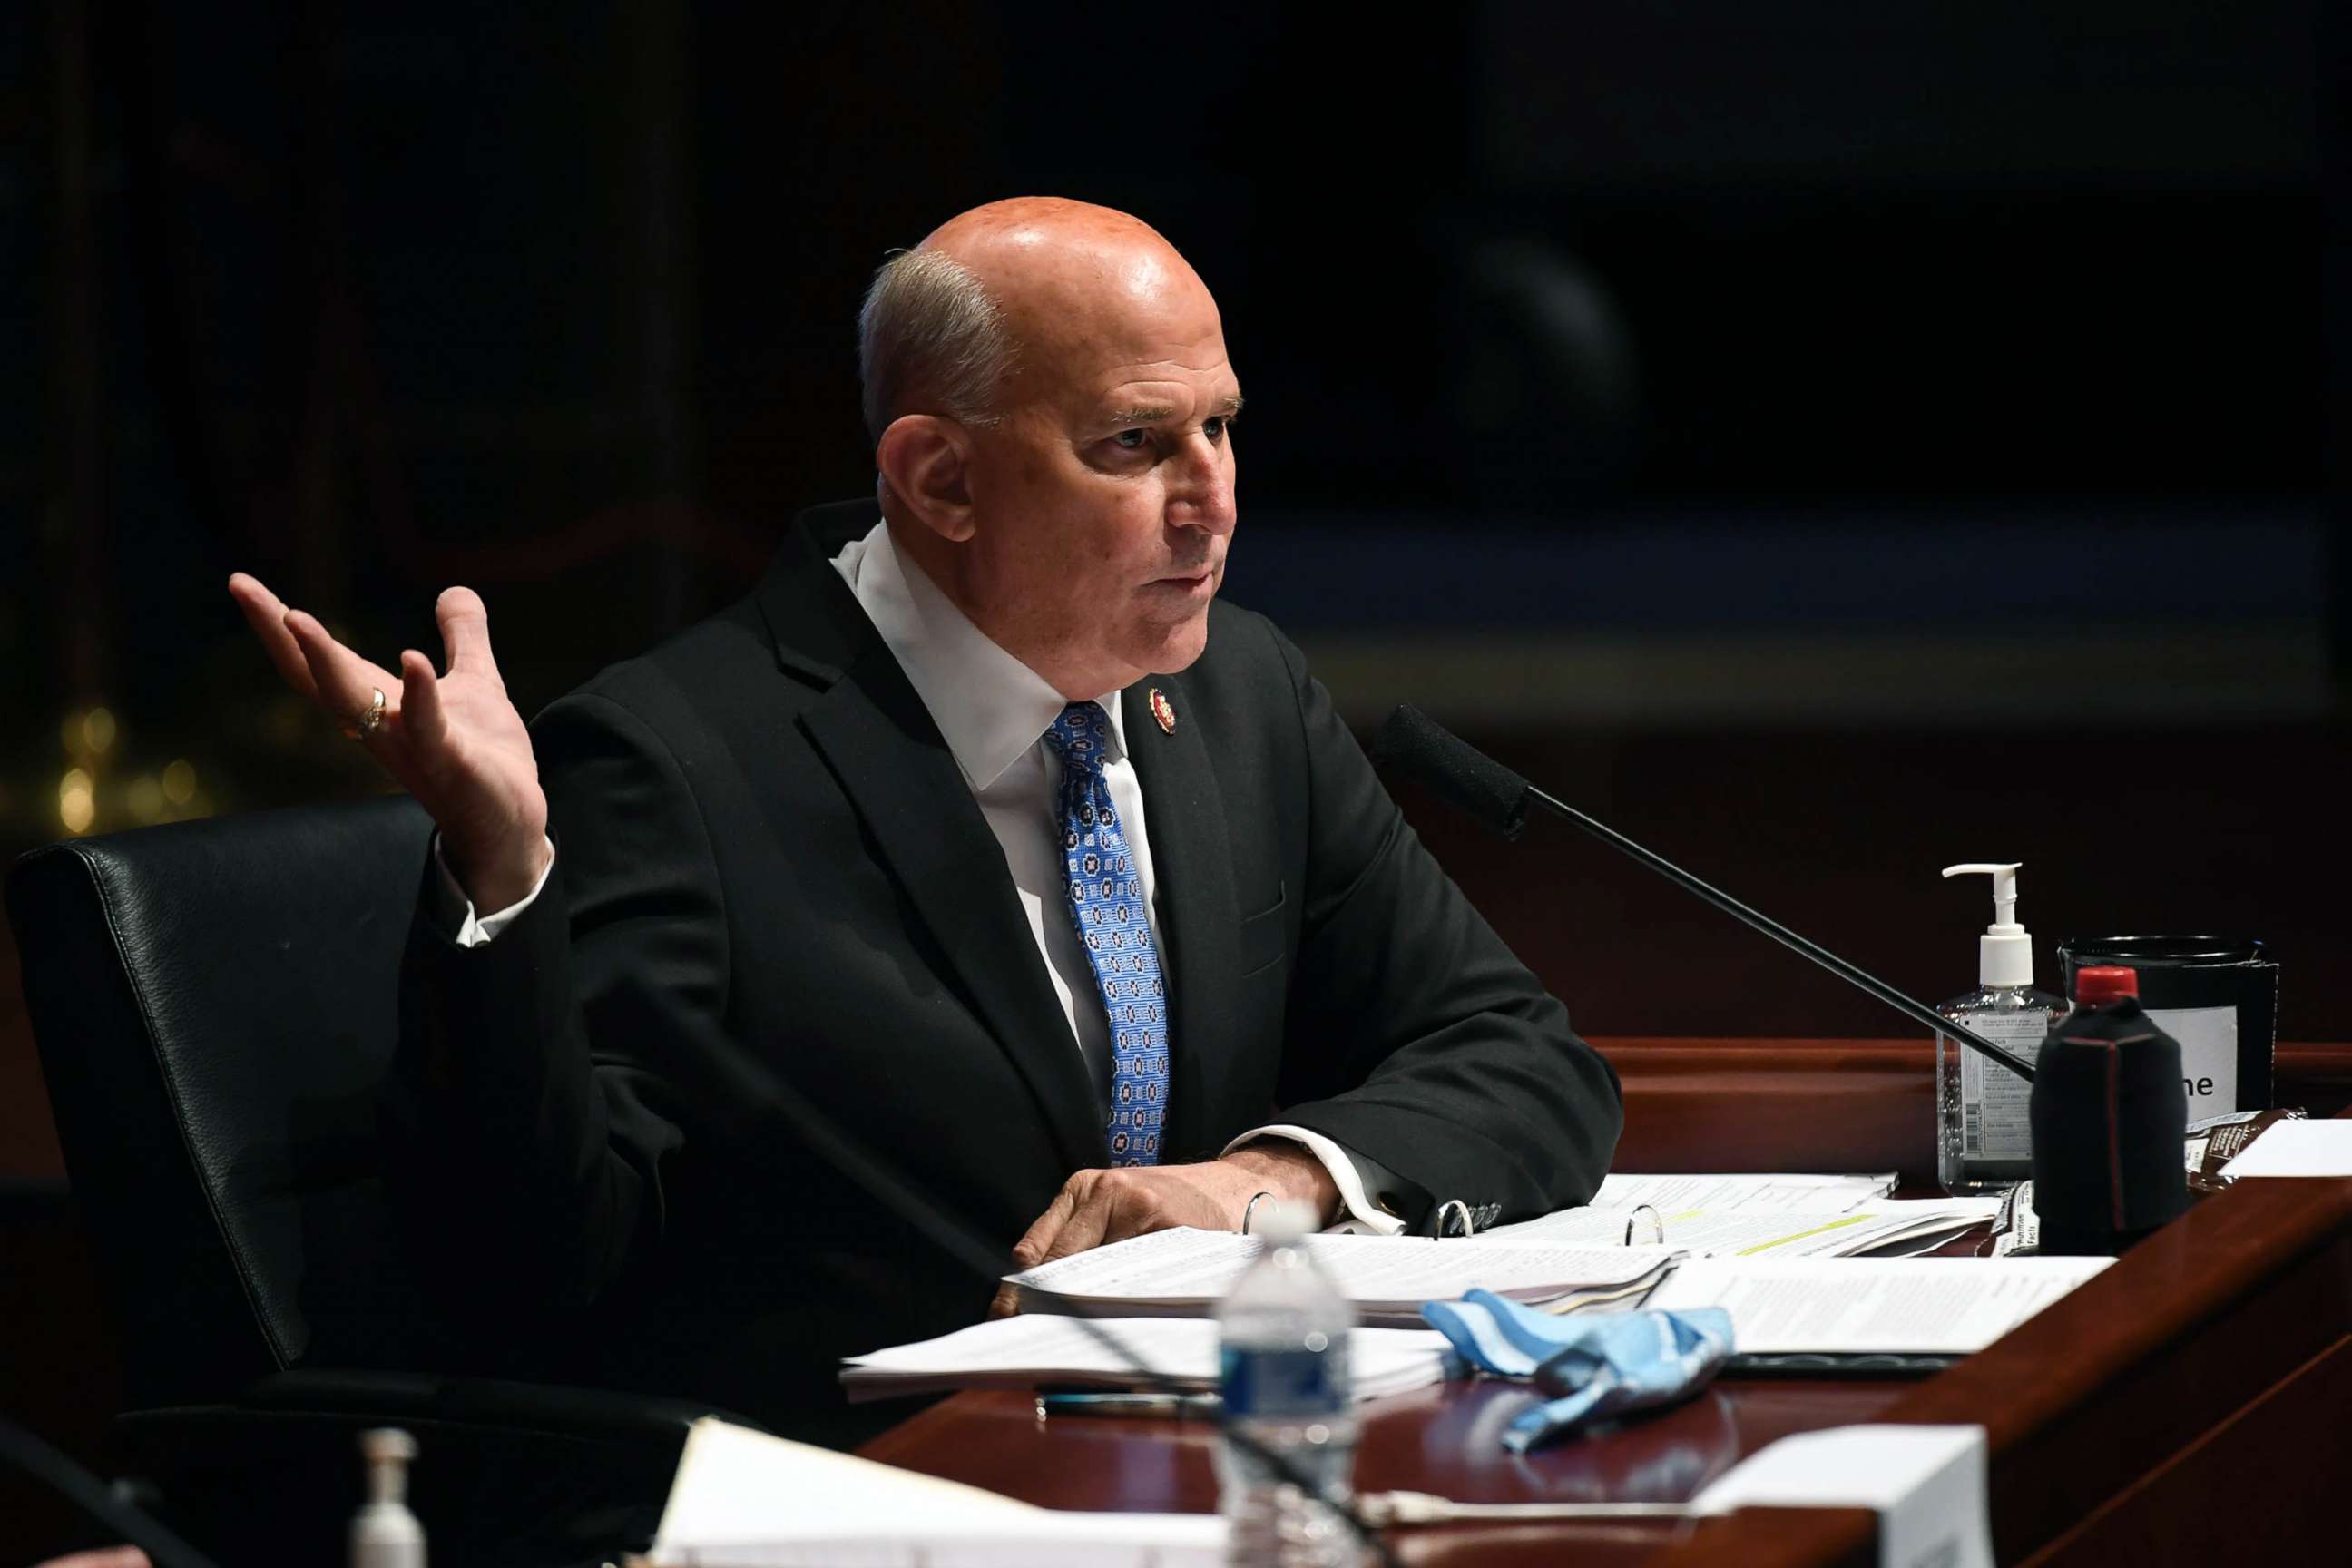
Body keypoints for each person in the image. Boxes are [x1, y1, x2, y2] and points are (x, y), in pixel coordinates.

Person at [227, 198, 1622, 1444]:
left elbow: (1518, 1057)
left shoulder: (1240, 693)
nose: (1213, 501)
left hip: (1182, 1476)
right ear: (940, 479)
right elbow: (533, 1263)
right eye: (1135, 444)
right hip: (855, 1496)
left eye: (1223, 427)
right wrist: (508, 868)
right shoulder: (678, 767)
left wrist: (1267, 1180)